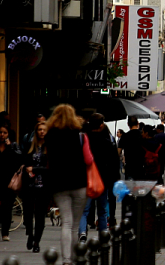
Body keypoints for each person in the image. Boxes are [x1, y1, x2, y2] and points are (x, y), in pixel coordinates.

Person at [45, 104, 90, 265]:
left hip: (59, 183)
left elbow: (49, 159)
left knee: (66, 221)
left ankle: (66, 259)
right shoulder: (78, 134)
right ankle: (75, 256)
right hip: (79, 182)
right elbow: (88, 159)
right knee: (75, 224)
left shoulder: (50, 135)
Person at [79, 113, 121, 241]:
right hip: (103, 180)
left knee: (84, 210)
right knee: (102, 210)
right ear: (101, 125)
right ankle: (103, 233)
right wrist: (115, 179)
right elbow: (114, 162)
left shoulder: (84, 140)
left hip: (86, 179)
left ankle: (82, 232)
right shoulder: (107, 142)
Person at [0, 124, 22, 242]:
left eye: (5, 132)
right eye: (0, 132)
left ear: (9, 134)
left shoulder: (13, 146)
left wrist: (11, 148)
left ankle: (5, 233)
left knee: (7, 207)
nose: (2, 135)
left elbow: (18, 160)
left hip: (8, 181)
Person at [22, 122, 48, 253]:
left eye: (44, 130)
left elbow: (50, 168)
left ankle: (37, 240)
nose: (42, 132)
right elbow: (24, 162)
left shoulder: (49, 147)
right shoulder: (30, 146)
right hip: (29, 185)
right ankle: (30, 235)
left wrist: (35, 169)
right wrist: (26, 168)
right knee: (28, 214)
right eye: (39, 129)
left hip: (43, 186)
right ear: (36, 131)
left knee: (40, 216)